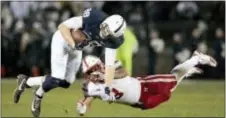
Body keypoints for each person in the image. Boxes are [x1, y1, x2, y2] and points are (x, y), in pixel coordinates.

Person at [13, 8, 127, 117]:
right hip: (62, 40)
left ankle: (26, 81)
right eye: (104, 27)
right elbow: (62, 27)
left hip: (77, 48)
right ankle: (38, 94)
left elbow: (110, 65)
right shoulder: (94, 18)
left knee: (67, 82)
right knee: (57, 78)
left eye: (108, 32)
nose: (104, 32)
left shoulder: (115, 41)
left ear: (116, 35)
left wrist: (107, 87)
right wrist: (73, 44)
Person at [76, 51, 217, 115]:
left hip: (144, 85)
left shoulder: (110, 67)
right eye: (89, 72)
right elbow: (88, 98)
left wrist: (107, 77)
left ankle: (196, 59)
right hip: (141, 103)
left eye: (92, 69)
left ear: (98, 65)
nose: (92, 73)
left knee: (172, 80)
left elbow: (123, 73)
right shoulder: (93, 86)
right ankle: (189, 68)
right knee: (169, 91)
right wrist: (82, 107)